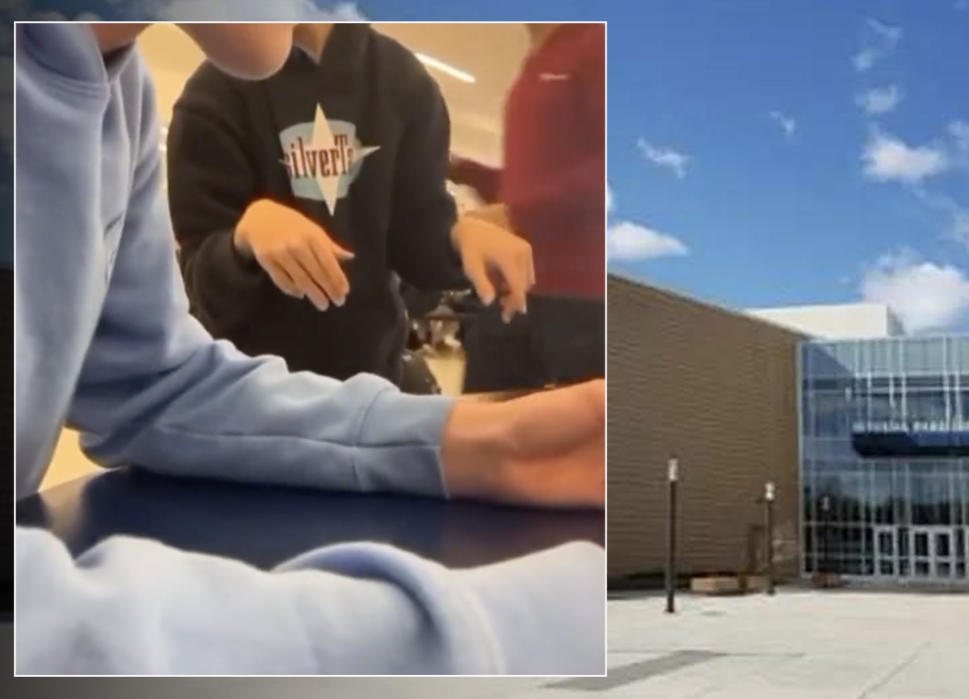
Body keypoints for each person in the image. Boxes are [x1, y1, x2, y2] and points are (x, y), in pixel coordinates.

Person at [13, 22, 602, 675]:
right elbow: (202, 277)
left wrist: (482, 441)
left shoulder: (117, 95)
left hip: (347, 388)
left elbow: (153, 380)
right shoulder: (207, 99)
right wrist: (488, 629)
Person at [168, 23, 531, 391]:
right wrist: (243, 241)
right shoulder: (213, 96)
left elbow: (418, 250)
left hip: (371, 388)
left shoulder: (403, 83)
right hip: (250, 398)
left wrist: (460, 238)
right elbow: (197, 288)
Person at [448, 23, 605, 393]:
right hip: (511, 291)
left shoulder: (594, 41)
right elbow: (525, 183)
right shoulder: (534, 61)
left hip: (574, 300)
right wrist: (463, 170)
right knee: (485, 427)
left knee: (574, 441)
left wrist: (519, 212)